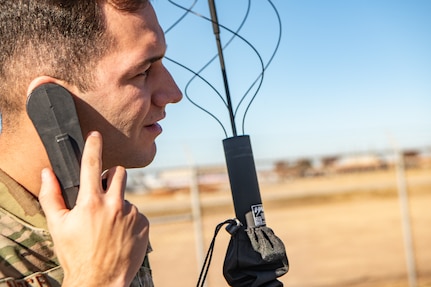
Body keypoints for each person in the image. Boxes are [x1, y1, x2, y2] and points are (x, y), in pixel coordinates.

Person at [0, 0, 182, 286]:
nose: (172, 93)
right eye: (142, 72)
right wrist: (97, 277)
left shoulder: (108, 219)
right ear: (50, 102)